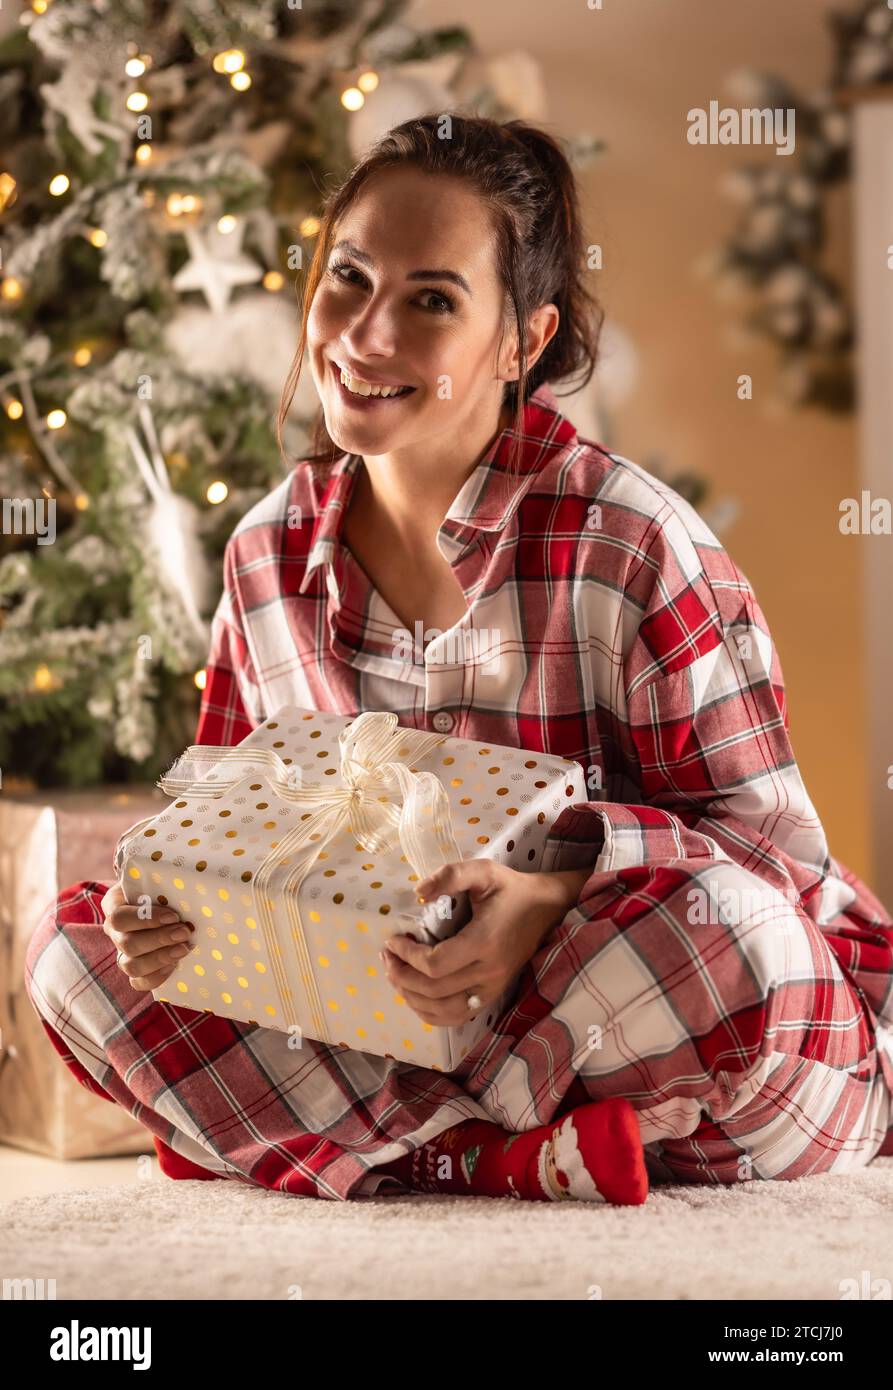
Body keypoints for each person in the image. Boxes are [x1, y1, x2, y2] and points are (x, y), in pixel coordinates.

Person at [25, 114, 893, 1206]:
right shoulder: (266, 557)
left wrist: (546, 891)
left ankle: (336, 1143)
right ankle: (503, 1161)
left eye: (431, 299)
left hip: (632, 1008)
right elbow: (225, 831)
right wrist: (173, 913)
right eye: (348, 275)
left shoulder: (627, 542)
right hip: (402, 1030)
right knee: (71, 956)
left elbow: (772, 866)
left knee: (721, 941)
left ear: (521, 341)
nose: (363, 331)